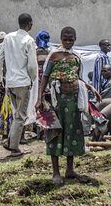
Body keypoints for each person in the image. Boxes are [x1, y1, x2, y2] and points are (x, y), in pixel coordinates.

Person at [35, 26, 86, 185]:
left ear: (75, 39)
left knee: (72, 132)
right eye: (65, 38)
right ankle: (56, 172)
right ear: (61, 38)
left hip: (73, 102)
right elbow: (45, 77)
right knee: (54, 133)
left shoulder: (77, 57)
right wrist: (39, 98)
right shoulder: (54, 55)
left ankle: (69, 170)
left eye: (71, 39)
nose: (68, 41)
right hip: (56, 102)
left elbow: (80, 78)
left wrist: (89, 90)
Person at [0, 14, 38, 157]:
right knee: (20, 116)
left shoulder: (8, 38)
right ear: (29, 24)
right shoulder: (29, 40)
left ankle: (10, 141)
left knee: (16, 114)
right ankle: (14, 147)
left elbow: (0, 58)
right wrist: (33, 79)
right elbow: (32, 66)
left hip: (10, 82)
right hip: (23, 82)